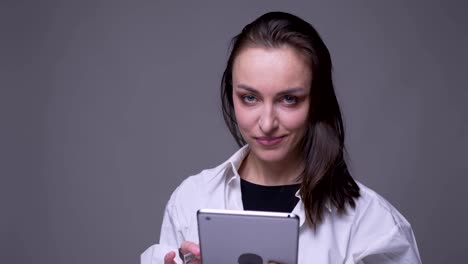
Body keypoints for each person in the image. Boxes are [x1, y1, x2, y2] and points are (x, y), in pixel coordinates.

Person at [141, 11, 421, 264]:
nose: (266, 123)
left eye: (288, 99)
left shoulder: (372, 224)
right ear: (232, 95)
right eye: (249, 98)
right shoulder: (191, 199)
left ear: (316, 101)